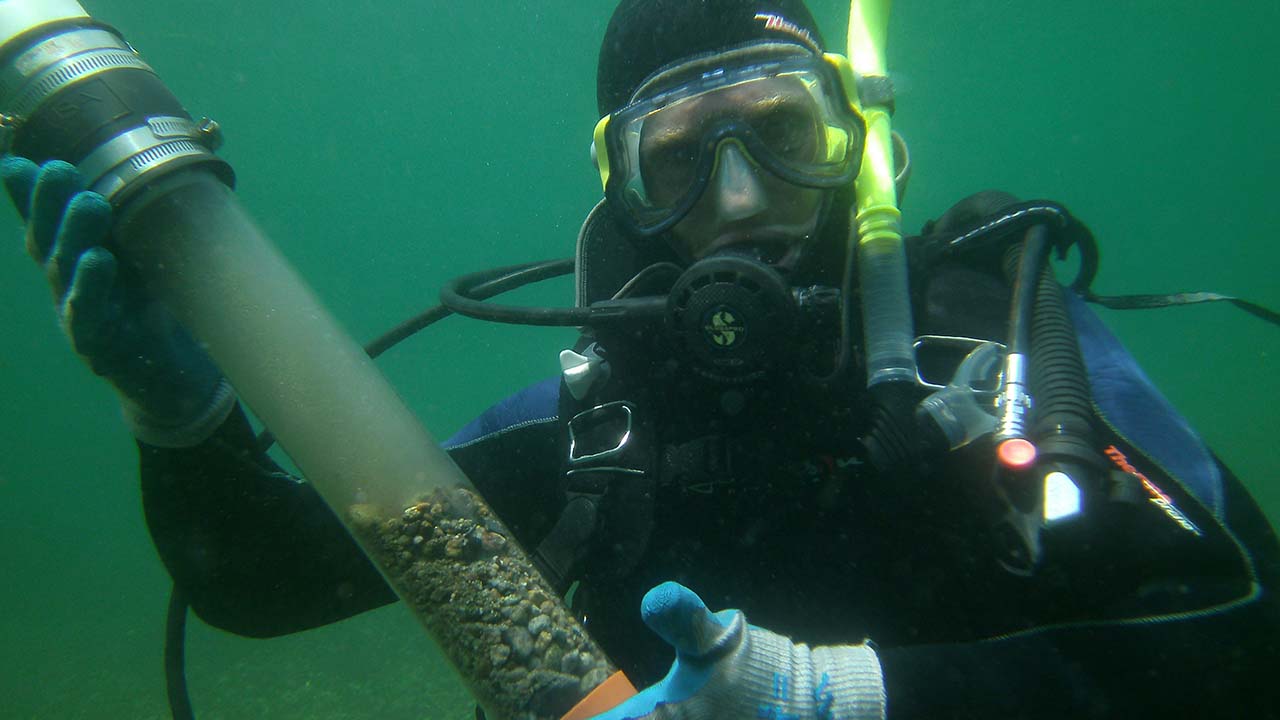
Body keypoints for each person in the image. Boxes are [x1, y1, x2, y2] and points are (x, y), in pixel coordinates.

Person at [6, 0, 1279, 717]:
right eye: (678, 158)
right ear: (619, 189)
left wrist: (845, 697)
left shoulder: (996, 345)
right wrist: (183, 418)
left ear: (854, 141)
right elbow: (269, 581)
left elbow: (1246, 642)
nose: (737, 198)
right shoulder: (586, 428)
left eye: (781, 133)